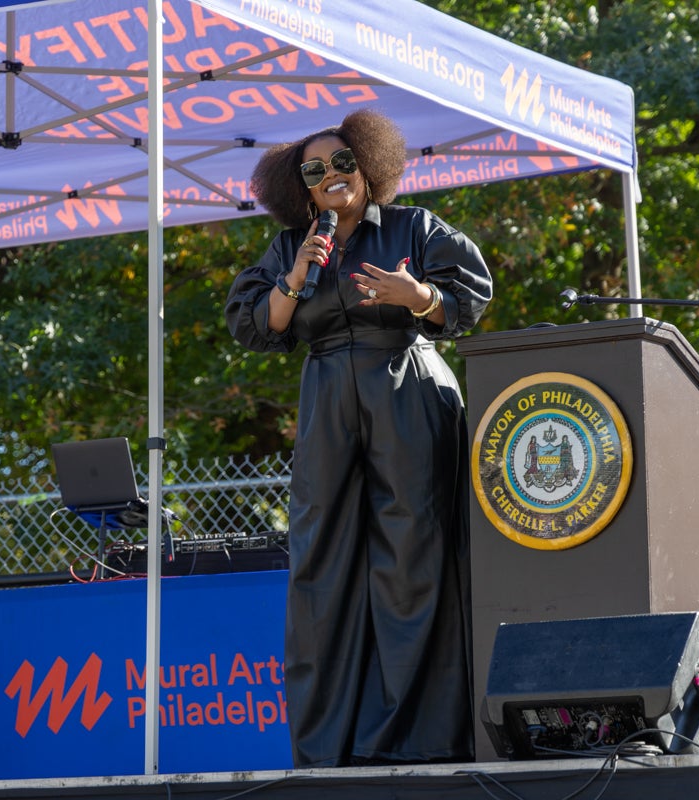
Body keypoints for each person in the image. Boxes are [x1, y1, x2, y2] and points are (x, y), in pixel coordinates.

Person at [224, 107, 493, 768]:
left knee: (412, 555)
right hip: (327, 399)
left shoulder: (411, 227)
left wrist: (416, 296)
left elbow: (471, 296)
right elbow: (254, 324)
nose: (332, 176)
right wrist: (295, 276)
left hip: (404, 383)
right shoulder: (292, 246)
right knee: (320, 562)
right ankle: (329, 745)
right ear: (303, 188)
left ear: (368, 166)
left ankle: (419, 736)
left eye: (343, 161)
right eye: (316, 171)